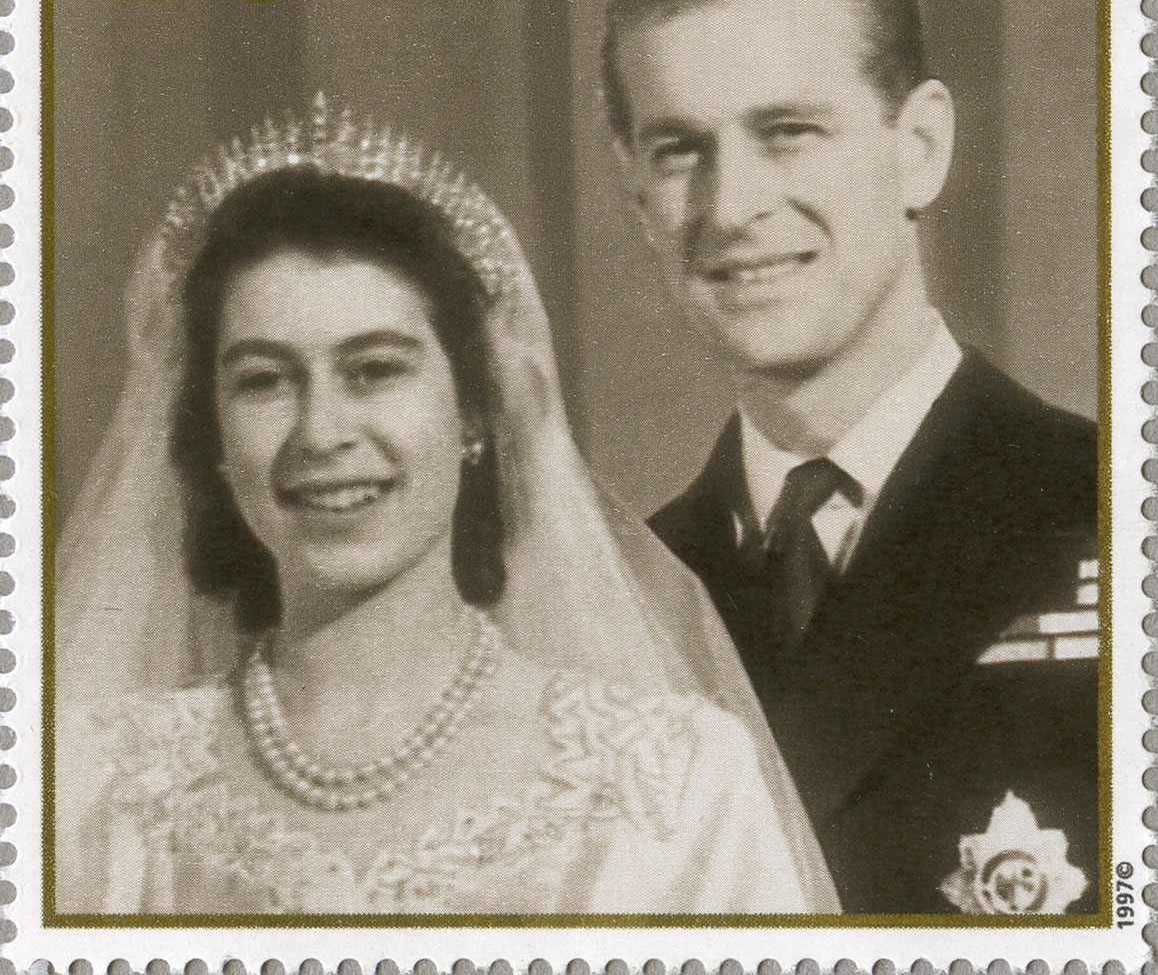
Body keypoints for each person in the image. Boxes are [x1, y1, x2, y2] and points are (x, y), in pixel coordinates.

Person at [53, 97, 839, 916]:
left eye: (375, 369)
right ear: (212, 434)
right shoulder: (93, 785)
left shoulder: (673, 781)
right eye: (263, 380)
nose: (320, 431)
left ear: (472, 412)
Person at [602, 0, 1098, 914]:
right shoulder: (621, 597)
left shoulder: (1105, 512)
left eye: (789, 131)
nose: (732, 205)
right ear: (636, 197)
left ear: (918, 145)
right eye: (679, 149)